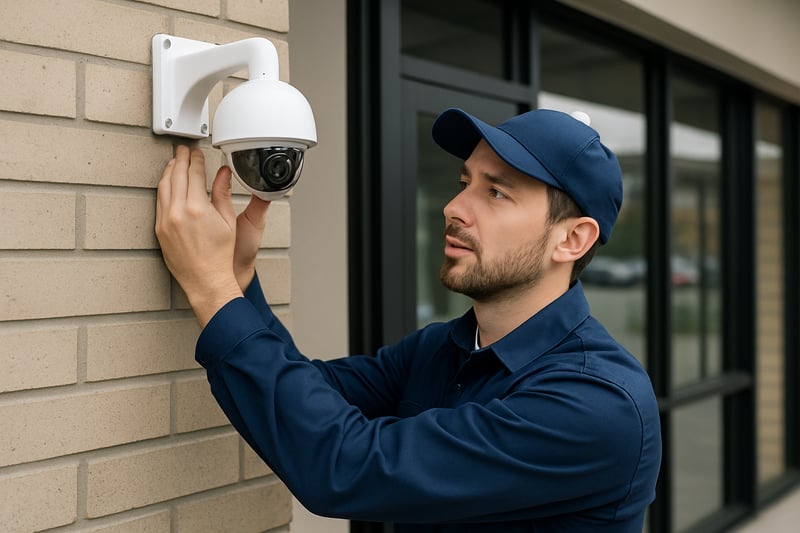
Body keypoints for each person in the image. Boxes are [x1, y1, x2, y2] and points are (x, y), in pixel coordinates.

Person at [155, 107, 661, 532]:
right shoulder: (446, 347)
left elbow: (346, 464)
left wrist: (212, 290)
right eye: (465, 182)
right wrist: (238, 282)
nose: (454, 207)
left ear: (572, 239)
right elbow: (309, 393)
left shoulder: (596, 404)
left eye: (496, 192)